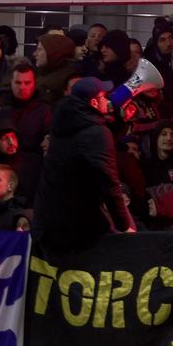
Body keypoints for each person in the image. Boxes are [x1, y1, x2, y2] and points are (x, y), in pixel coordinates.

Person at [34, 77, 136, 250]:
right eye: (104, 96)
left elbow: (91, 142)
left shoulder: (65, 123)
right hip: (76, 227)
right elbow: (109, 182)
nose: (108, 99)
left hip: (49, 220)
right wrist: (124, 226)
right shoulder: (96, 133)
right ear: (94, 102)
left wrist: (119, 121)